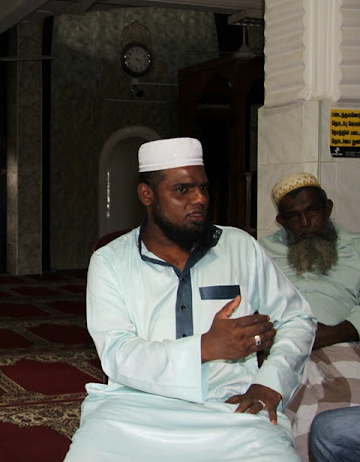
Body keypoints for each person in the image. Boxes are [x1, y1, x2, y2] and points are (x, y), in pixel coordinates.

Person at [64, 137, 316, 461]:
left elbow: (297, 318)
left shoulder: (240, 247)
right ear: (147, 195)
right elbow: (116, 352)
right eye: (182, 190)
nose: (199, 199)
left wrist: (271, 383)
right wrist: (206, 347)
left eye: (203, 188)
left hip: (231, 405)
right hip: (133, 408)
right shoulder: (111, 261)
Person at [259, 172, 360, 460]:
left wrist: (334, 333)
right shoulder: (260, 252)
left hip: (341, 347)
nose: (306, 224)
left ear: (327, 208)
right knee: (274, 424)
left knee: (343, 411)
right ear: (281, 221)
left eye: (313, 211)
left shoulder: (357, 247)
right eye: (294, 217)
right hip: (281, 350)